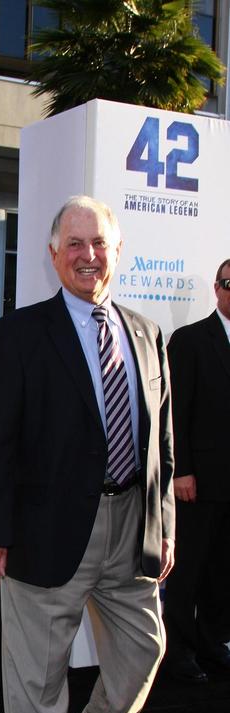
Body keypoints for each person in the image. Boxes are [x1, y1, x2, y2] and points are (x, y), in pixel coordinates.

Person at [0, 195, 175, 713]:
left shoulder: (146, 333)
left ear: (117, 253)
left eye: (100, 244)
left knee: (144, 650)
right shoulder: (21, 334)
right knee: (38, 678)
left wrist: (163, 523)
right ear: (54, 255)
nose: (89, 255)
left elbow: (161, 445)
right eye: (75, 244)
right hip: (44, 531)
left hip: (129, 527)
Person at [162, 260, 230, 683]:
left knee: (223, 571)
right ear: (217, 288)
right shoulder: (188, 341)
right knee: (188, 570)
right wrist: (181, 471)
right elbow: (175, 415)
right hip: (199, 482)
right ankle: (179, 652)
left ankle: (213, 643)